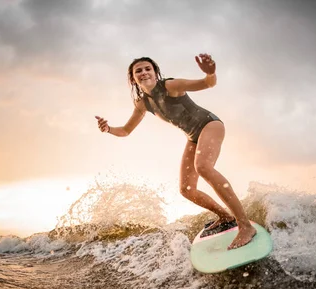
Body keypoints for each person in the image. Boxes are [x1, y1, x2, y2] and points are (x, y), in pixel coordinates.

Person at [95, 54, 256, 249]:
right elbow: (126, 130)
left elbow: (207, 83)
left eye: (148, 68)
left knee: (203, 167)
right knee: (186, 189)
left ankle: (245, 226)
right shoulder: (142, 103)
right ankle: (225, 216)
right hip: (193, 136)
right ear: (133, 79)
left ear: (155, 73)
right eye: (138, 71)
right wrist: (108, 129)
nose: (144, 72)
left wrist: (210, 72)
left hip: (209, 125)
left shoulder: (170, 86)